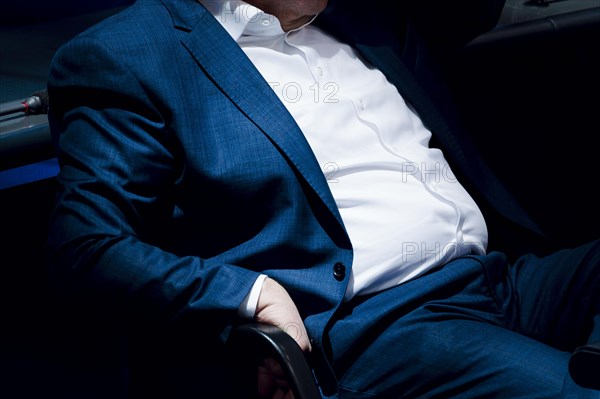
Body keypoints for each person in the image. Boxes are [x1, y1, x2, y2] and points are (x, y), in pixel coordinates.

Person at [45, 0, 599, 398]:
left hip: (502, 279)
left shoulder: (366, 13)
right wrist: (248, 295)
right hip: (382, 323)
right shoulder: (130, 54)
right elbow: (87, 246)